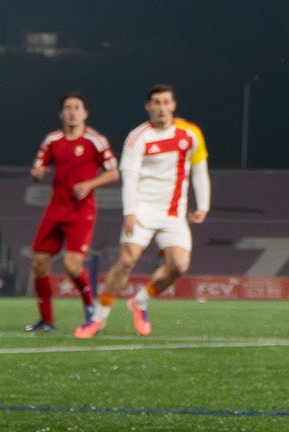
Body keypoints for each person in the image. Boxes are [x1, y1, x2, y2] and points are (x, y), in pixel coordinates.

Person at [75, 85, 209, 339]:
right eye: (156, 103)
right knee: (126, 261)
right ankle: (98, 318)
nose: (161, 108)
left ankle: (140, 301)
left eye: (165, 102)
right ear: (148, 106)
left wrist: (203, 205)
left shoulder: (191, 134)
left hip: (173, 213)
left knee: (179, 266)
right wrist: (130, 212)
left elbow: (200, 170)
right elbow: (130, 177)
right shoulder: (138, 137)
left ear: (173, 105)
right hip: (143, 210)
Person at [26, 93, 119, 333]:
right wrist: (36, 174)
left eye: (77, 107)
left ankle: (90, 310)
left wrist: (90, 184)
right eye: (68, 107)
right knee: (39, 263)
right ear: (61, 114)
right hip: (55, 209)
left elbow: (113, 172)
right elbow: (38, 168)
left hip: (81, 211)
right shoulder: (52, 140)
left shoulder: (95, 140)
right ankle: (46, 320)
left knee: (72, 265)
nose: (72, 111)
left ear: (85, 113)